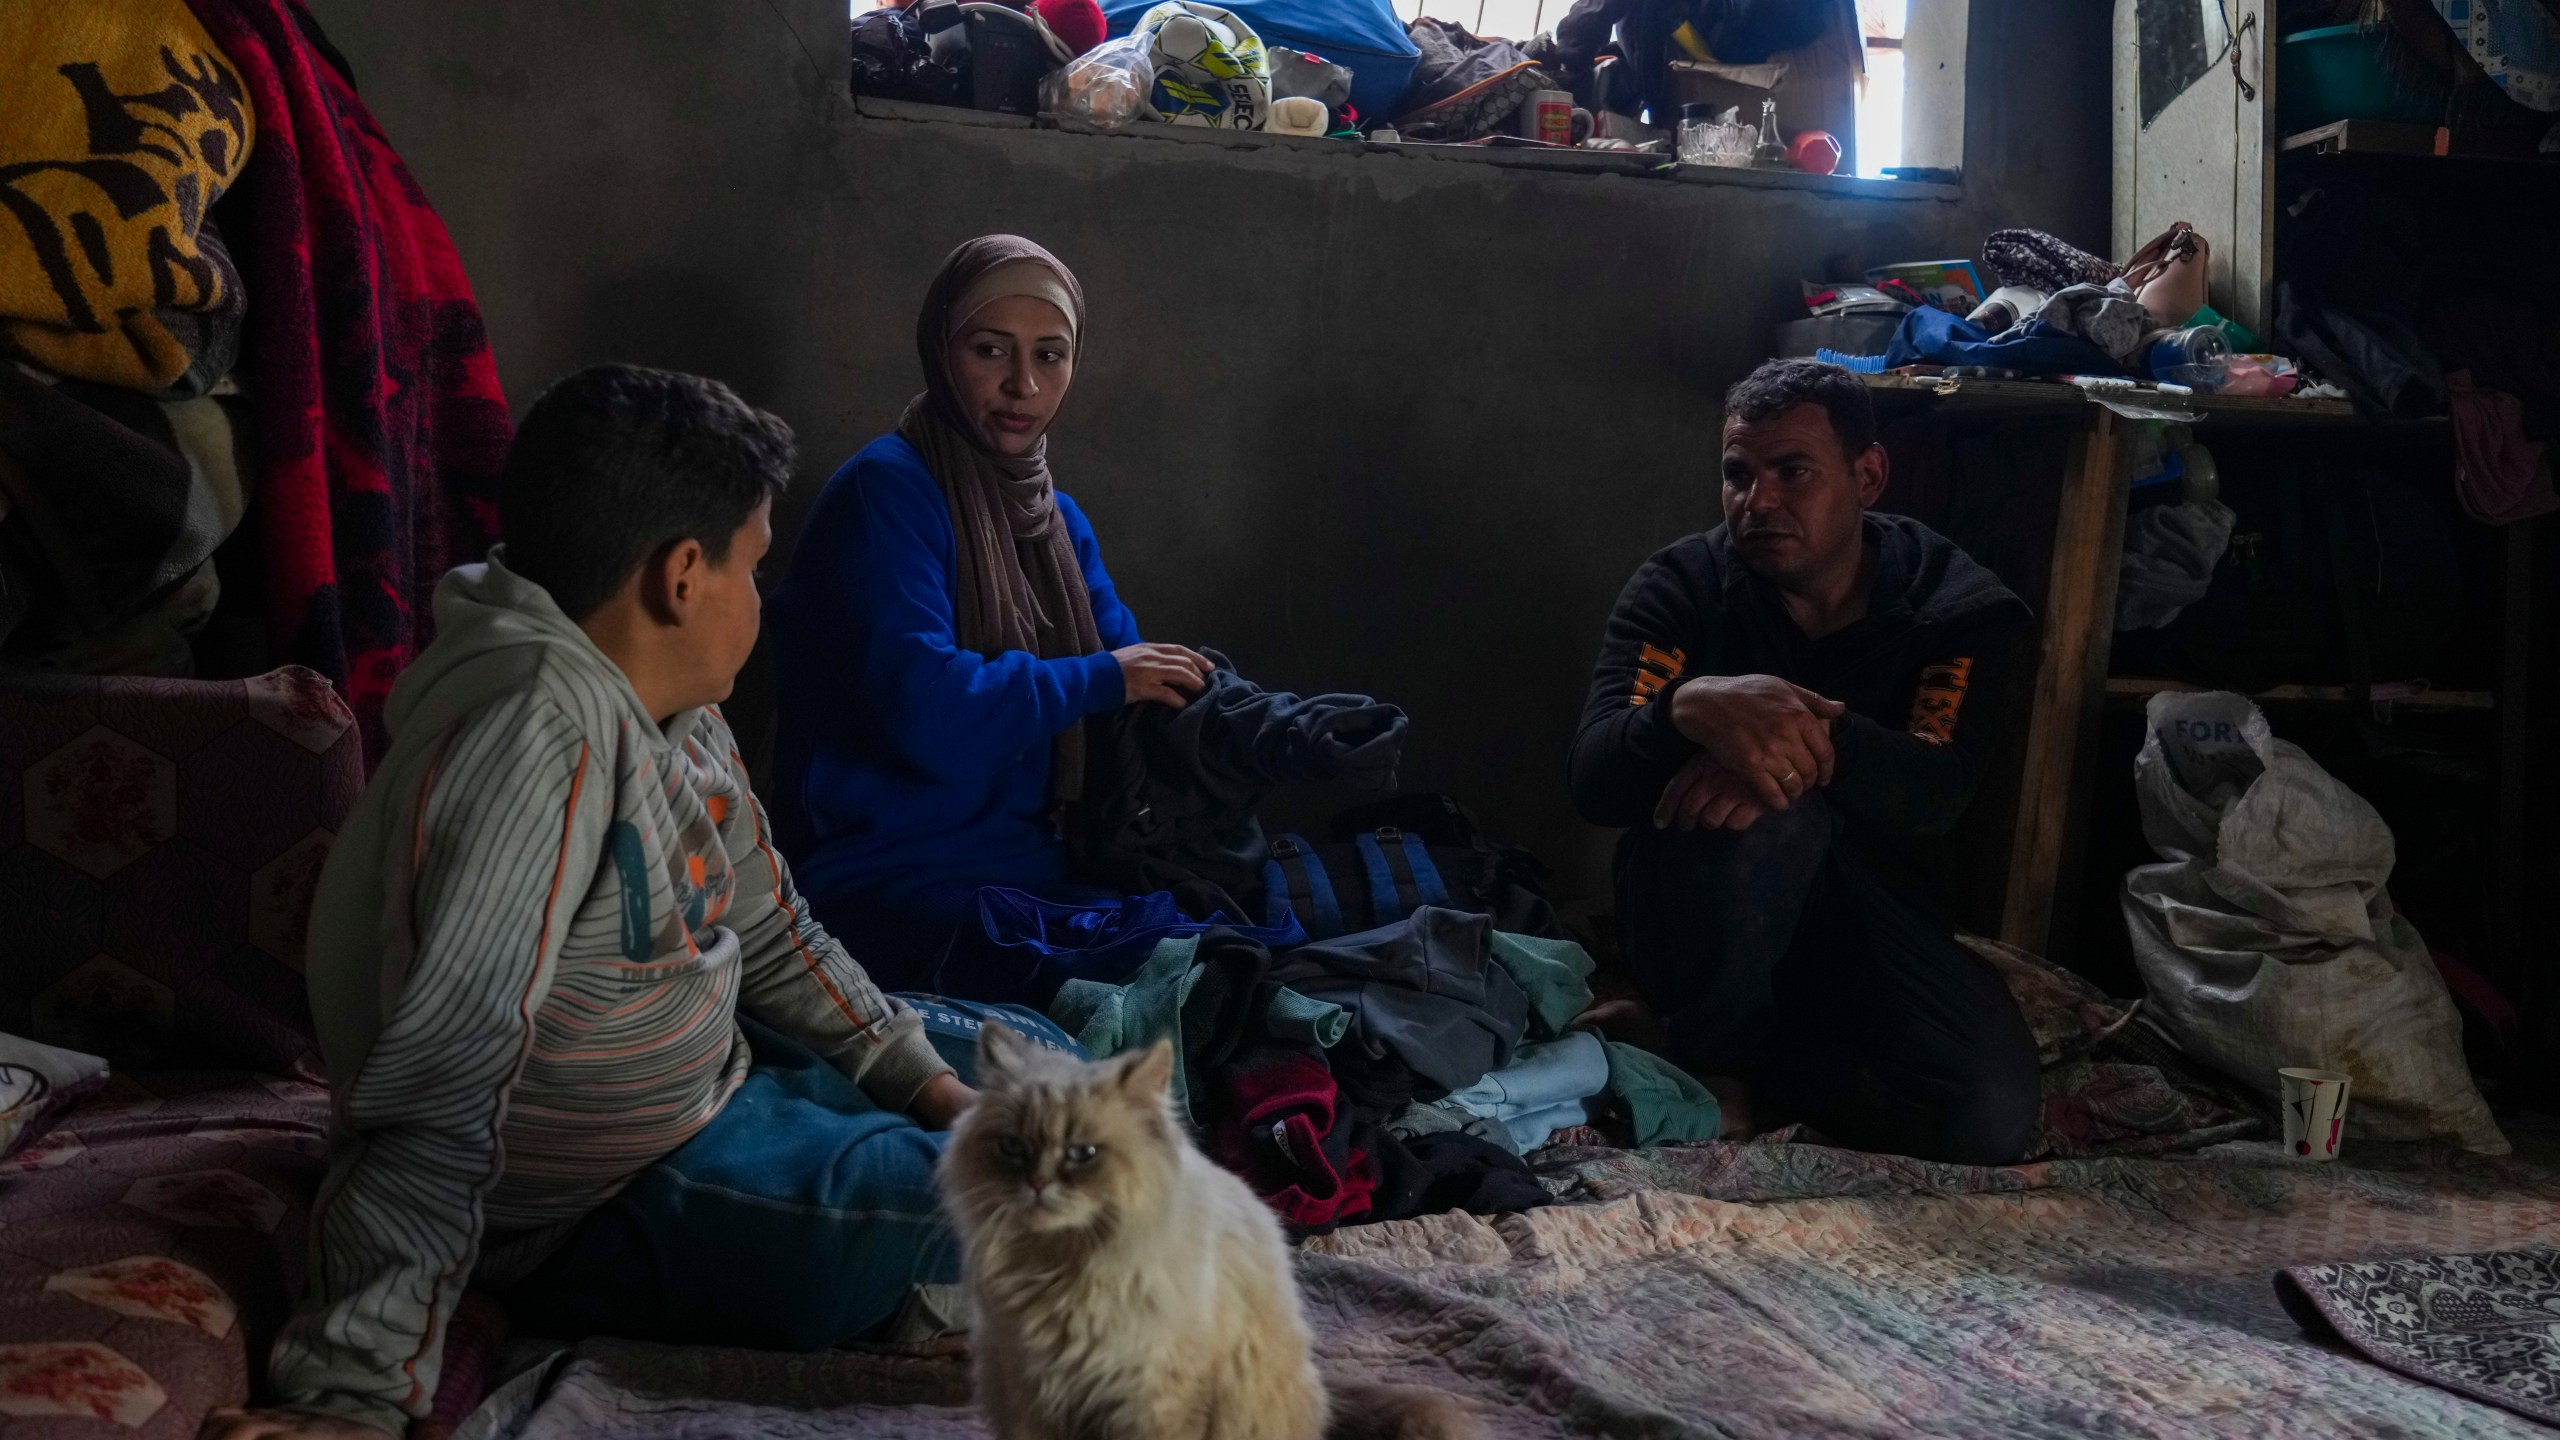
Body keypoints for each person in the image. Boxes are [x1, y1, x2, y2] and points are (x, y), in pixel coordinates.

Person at [205, 366, 1040, 1440]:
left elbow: (776, 933)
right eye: (754, 567)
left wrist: (923, 1083)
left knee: (1035, 1073)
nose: (762, 601)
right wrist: (352, 1391)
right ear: (681, 578)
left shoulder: (678, 705)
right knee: (1028, 1198)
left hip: (719, 1079)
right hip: (600, 1199)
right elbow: (443, 1076)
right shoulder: (532, 735)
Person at [1566, 358, 2042, 1167]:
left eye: (1792, 472)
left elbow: (1937, 792)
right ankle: (1710, 1059)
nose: (1760, 501)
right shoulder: (1681, 586)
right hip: (1700, 910)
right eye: (1738, 474)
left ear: (1868, 477)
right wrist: (1690, 707)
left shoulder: (1949, 606)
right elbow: (1595, 777)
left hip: (1872, 916)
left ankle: (1689, 1054)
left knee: (1987, 1118)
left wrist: (1801, 743)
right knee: (1772, 817)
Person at [769, 235, 1211, 990]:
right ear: (941, 350)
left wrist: (1253, 725)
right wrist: (1103, 679)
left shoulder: (1055, 519)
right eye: (990, 349)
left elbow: (1138, 685)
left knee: (1224, 947)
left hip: (1036, 866)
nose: (1022, 387)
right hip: (887, 878)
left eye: (1050, 355)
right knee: (1154, 984)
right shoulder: (884, 493)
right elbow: (929, 715)